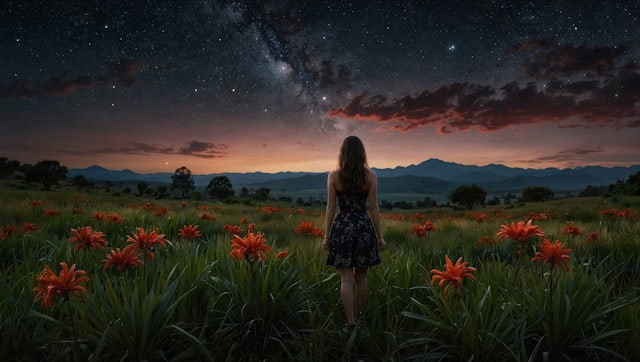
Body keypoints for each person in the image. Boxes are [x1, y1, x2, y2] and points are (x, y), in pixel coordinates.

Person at [322, 135, 386, 328]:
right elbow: (373, 208)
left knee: (346, 279)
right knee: (362, 278)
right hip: (363, 227)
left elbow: (331, 209)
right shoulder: (371, 177)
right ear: (362, 154)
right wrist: (379, 237)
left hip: (342, 228)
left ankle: (350, 323)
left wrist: (326, 236)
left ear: (342, 154)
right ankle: (358, 316)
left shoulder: (334, 177)